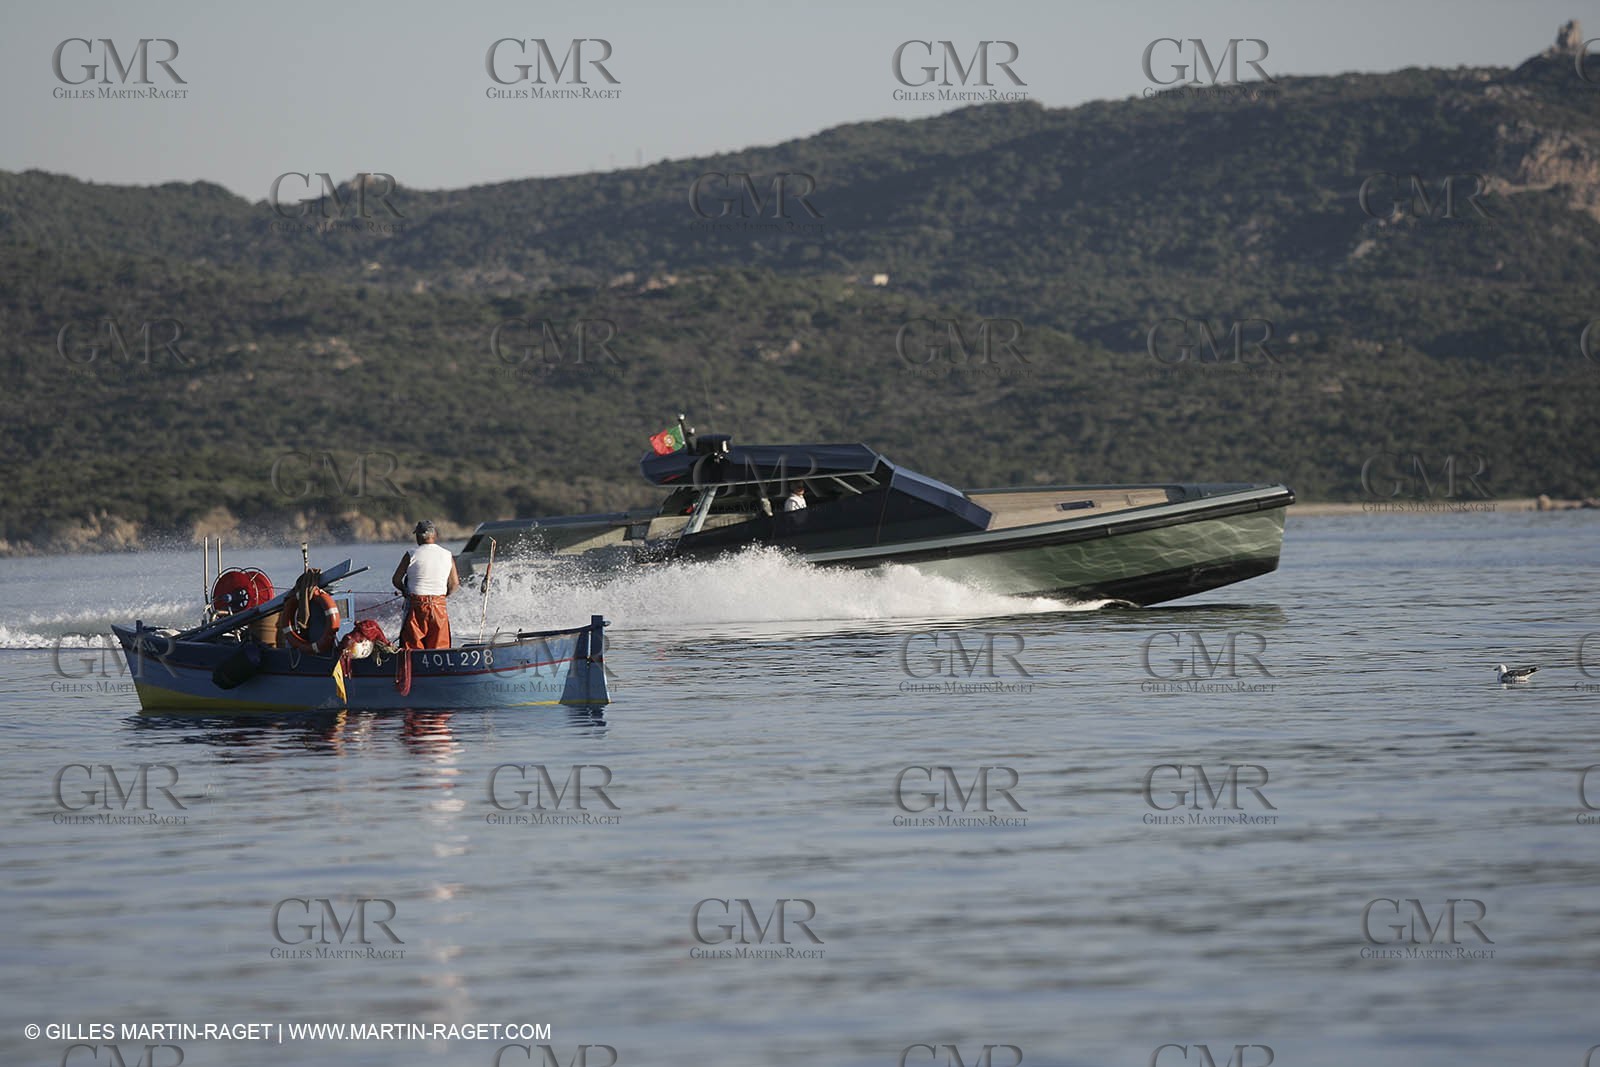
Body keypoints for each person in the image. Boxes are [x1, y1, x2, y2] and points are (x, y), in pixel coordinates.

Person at [392, 520, 460, 650]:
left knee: (412, 648)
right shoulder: (447, 555)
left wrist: (404, 591)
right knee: (440, 648)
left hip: (416, 606)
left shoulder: (411, 554)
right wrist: (443, 597)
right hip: (439, 606)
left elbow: (396, 580)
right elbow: (455, 584)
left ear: (418, 536)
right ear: (435, 535)